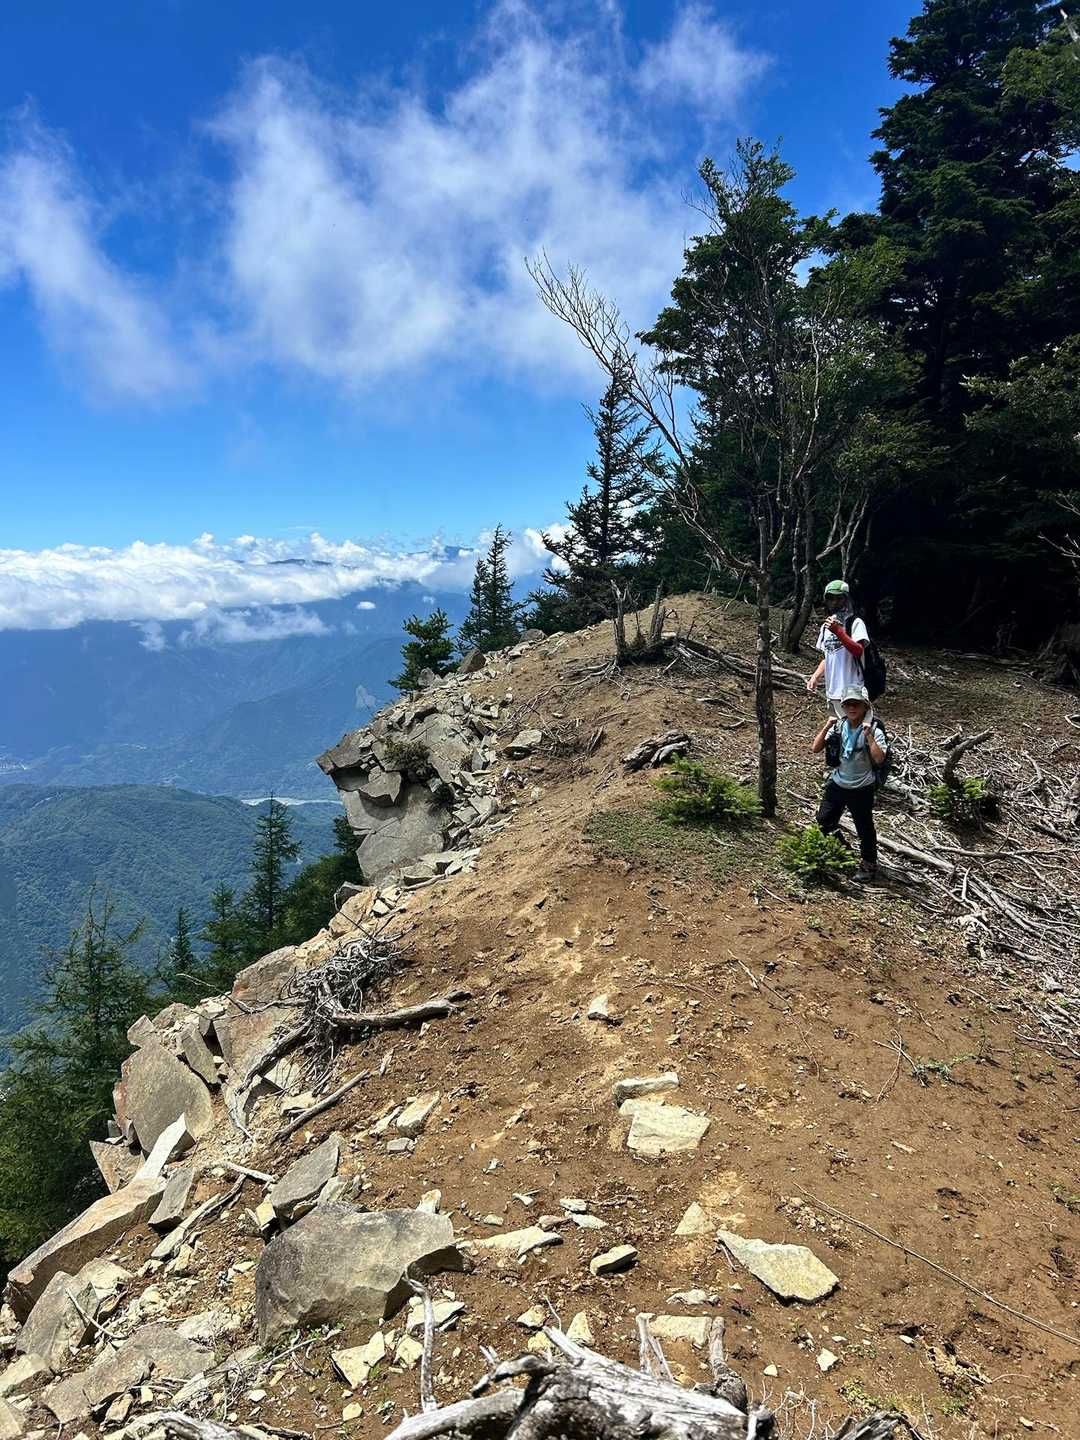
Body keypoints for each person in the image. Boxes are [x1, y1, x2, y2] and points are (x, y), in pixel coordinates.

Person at [811, 683, 888, 884]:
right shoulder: (838, 726)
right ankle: (840, 848)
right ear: (843, 707)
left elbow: (879, 759)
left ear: (865, 706)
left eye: (856, 704)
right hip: (838, 783)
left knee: (864, 828)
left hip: (862, 787)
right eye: (848, 704)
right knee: (824, 820)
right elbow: (815, 748)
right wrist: (826, 727)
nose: (852, 708)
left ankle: (869, 865)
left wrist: (868, 736)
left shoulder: (874, 729)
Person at [806, 580, 869, 718]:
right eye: (830, 598)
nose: (834, 602)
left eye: (839, 598)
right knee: (837, 729)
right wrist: (815, 677)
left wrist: (839, 632)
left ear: (846, 599)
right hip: (832, 692)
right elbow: (827, 657)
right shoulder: (826, 627)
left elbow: (859, 650)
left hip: (853, 692)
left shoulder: (855, 623)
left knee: (855, 730)